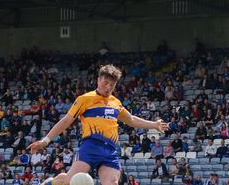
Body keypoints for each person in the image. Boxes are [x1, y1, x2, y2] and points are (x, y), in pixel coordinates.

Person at [27, 64, 169, 185]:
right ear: (98, 80)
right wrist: (45, 141)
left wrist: (154, 125)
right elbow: (66, 121)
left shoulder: (116, 103)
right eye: (105, 83)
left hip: (110, 151)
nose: (108, 87)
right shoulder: (85, 99)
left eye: (112, 85)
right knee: (69, 181)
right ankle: (51, 182)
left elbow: (131, 119)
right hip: (90, 147)